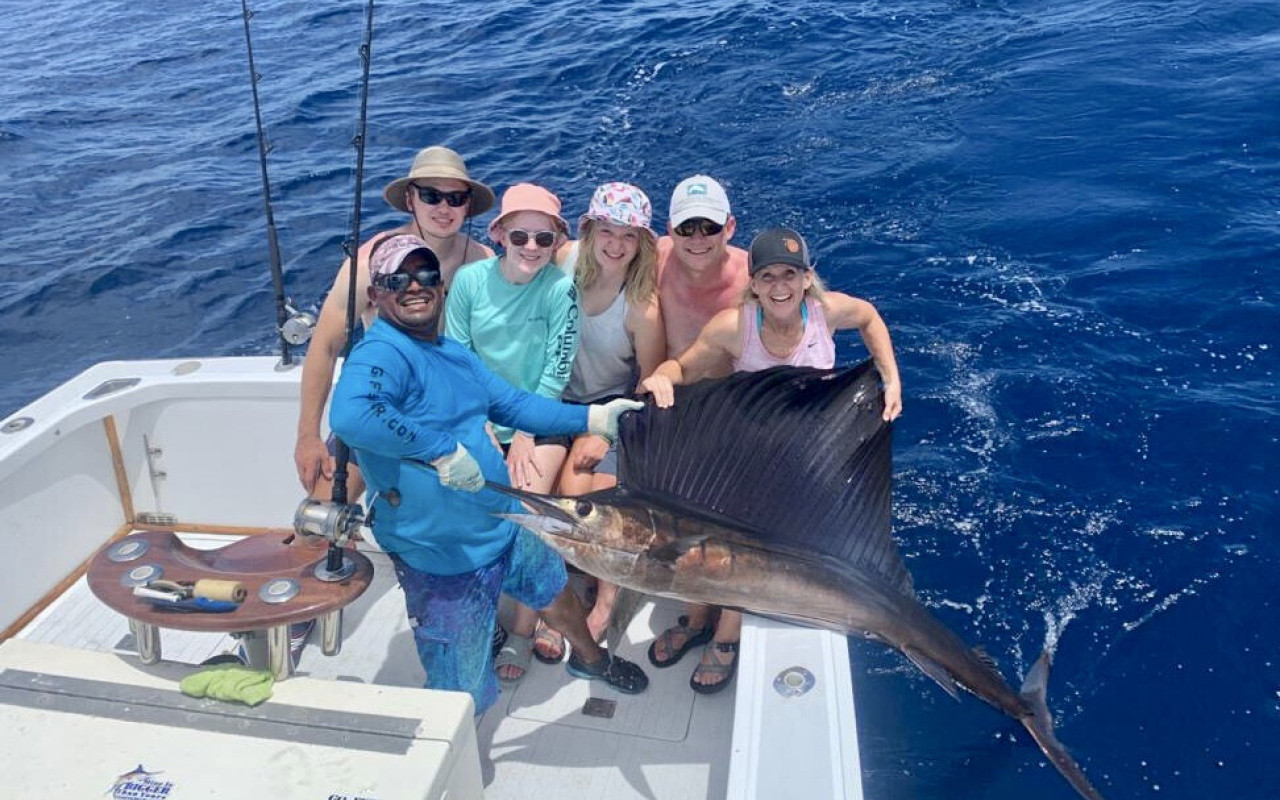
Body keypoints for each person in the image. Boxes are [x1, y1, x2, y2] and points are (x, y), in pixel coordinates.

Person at [328, 234, 649, 714]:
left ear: (441, 287)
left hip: (504, 520)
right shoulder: (381, 354)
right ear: (376, 294)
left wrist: (592, 419)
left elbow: (513, 404)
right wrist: (439, 451)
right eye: (398, 279)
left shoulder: (451, 352)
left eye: (426, 276)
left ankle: (590, 656)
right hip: (443, 561)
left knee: (552, 586)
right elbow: (352, 417)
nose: (415, 287)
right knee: (461, 695)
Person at [640, 226, 904, 694]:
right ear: (754, 285)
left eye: (790, 274)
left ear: (806, 279)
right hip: (755, 451)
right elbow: (682, 366)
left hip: (814, 450)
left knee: (741, 545)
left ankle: (725, 636)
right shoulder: (733, 326)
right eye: (768, 277)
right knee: (701, 526)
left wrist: (891, 375)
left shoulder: (827, 311)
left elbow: (869, 318)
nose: (780, 286)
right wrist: (661, 378)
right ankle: (698, 615)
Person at [294, 145, 495, 501]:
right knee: (320, 520)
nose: (443, 208)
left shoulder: (484, 261)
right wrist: (308, 435)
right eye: (431, 196)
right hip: (381, 405)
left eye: (456, 198)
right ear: (409, 199)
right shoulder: (370, 259)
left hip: (453, 412)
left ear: (468, 205)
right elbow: (325, 346)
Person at [444, 183, 579, 676]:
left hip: (537, 421)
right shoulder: (468, 282)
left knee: (527, 514)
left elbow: (556, 371)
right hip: (475, 416)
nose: (531, 247)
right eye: (520, 235)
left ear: (556, 243)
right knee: (454, 504)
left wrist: (521, 430)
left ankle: (521, 630)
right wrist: (479, 425)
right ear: (499, 233)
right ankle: (474, 611)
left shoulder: (560, 289)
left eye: (544, 240)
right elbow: (457, 358)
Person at [553, 182, 666, 643]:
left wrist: (609, 431)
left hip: (607, 410)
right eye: (607, 231)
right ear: (589, 230)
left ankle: (603, 604)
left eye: (628, 235)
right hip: (551, 402)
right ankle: (557, 591)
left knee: (584, 492)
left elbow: (648, 385)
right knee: (539, 488)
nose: (616, 245)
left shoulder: (642, 305)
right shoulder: (561, 263)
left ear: (641, 243)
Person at [656, 175, 750, 361]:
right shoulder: (651, 262)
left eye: (709, 227)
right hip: (661, 386)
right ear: (670, 230)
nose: (697, 239)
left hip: (732, 389)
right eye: (686, 227)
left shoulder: (755, 279)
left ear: (729, 228)